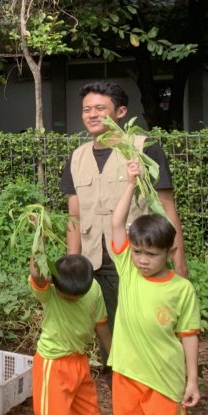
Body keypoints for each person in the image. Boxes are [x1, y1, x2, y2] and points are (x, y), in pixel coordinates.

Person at [61, 82, 187, 361]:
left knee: (145, 324)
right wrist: (73, 262)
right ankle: (116, 377)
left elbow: (166, 206)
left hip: (137, 257)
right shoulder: (76, 157)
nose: (92, 115)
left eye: (100, 109)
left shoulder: (144, 149)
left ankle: (153, 377)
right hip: (94, 258)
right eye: (86, 109)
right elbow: (74, 215)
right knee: (103, 323)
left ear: (120, 112)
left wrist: (179, 261)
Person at [110, 160, 200, 415]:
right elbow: (117, 223)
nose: (142, 260)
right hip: (126, 374)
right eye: (138, 252)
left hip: (166, 379)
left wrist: (192, 380)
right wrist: (130, 183)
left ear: (169, 253)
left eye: (151, 254)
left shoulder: (181, 290)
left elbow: (189, 335)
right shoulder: (127, 271)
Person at [28, 253, 110, 415]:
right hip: (52, 365)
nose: (72, 299)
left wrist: (112, 357)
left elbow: (101, 324)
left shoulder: (94, 289)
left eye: (76, 297)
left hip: (79, 362)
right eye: (68, 296)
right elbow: (37, 275)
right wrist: (39, 241)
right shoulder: (50, 291)